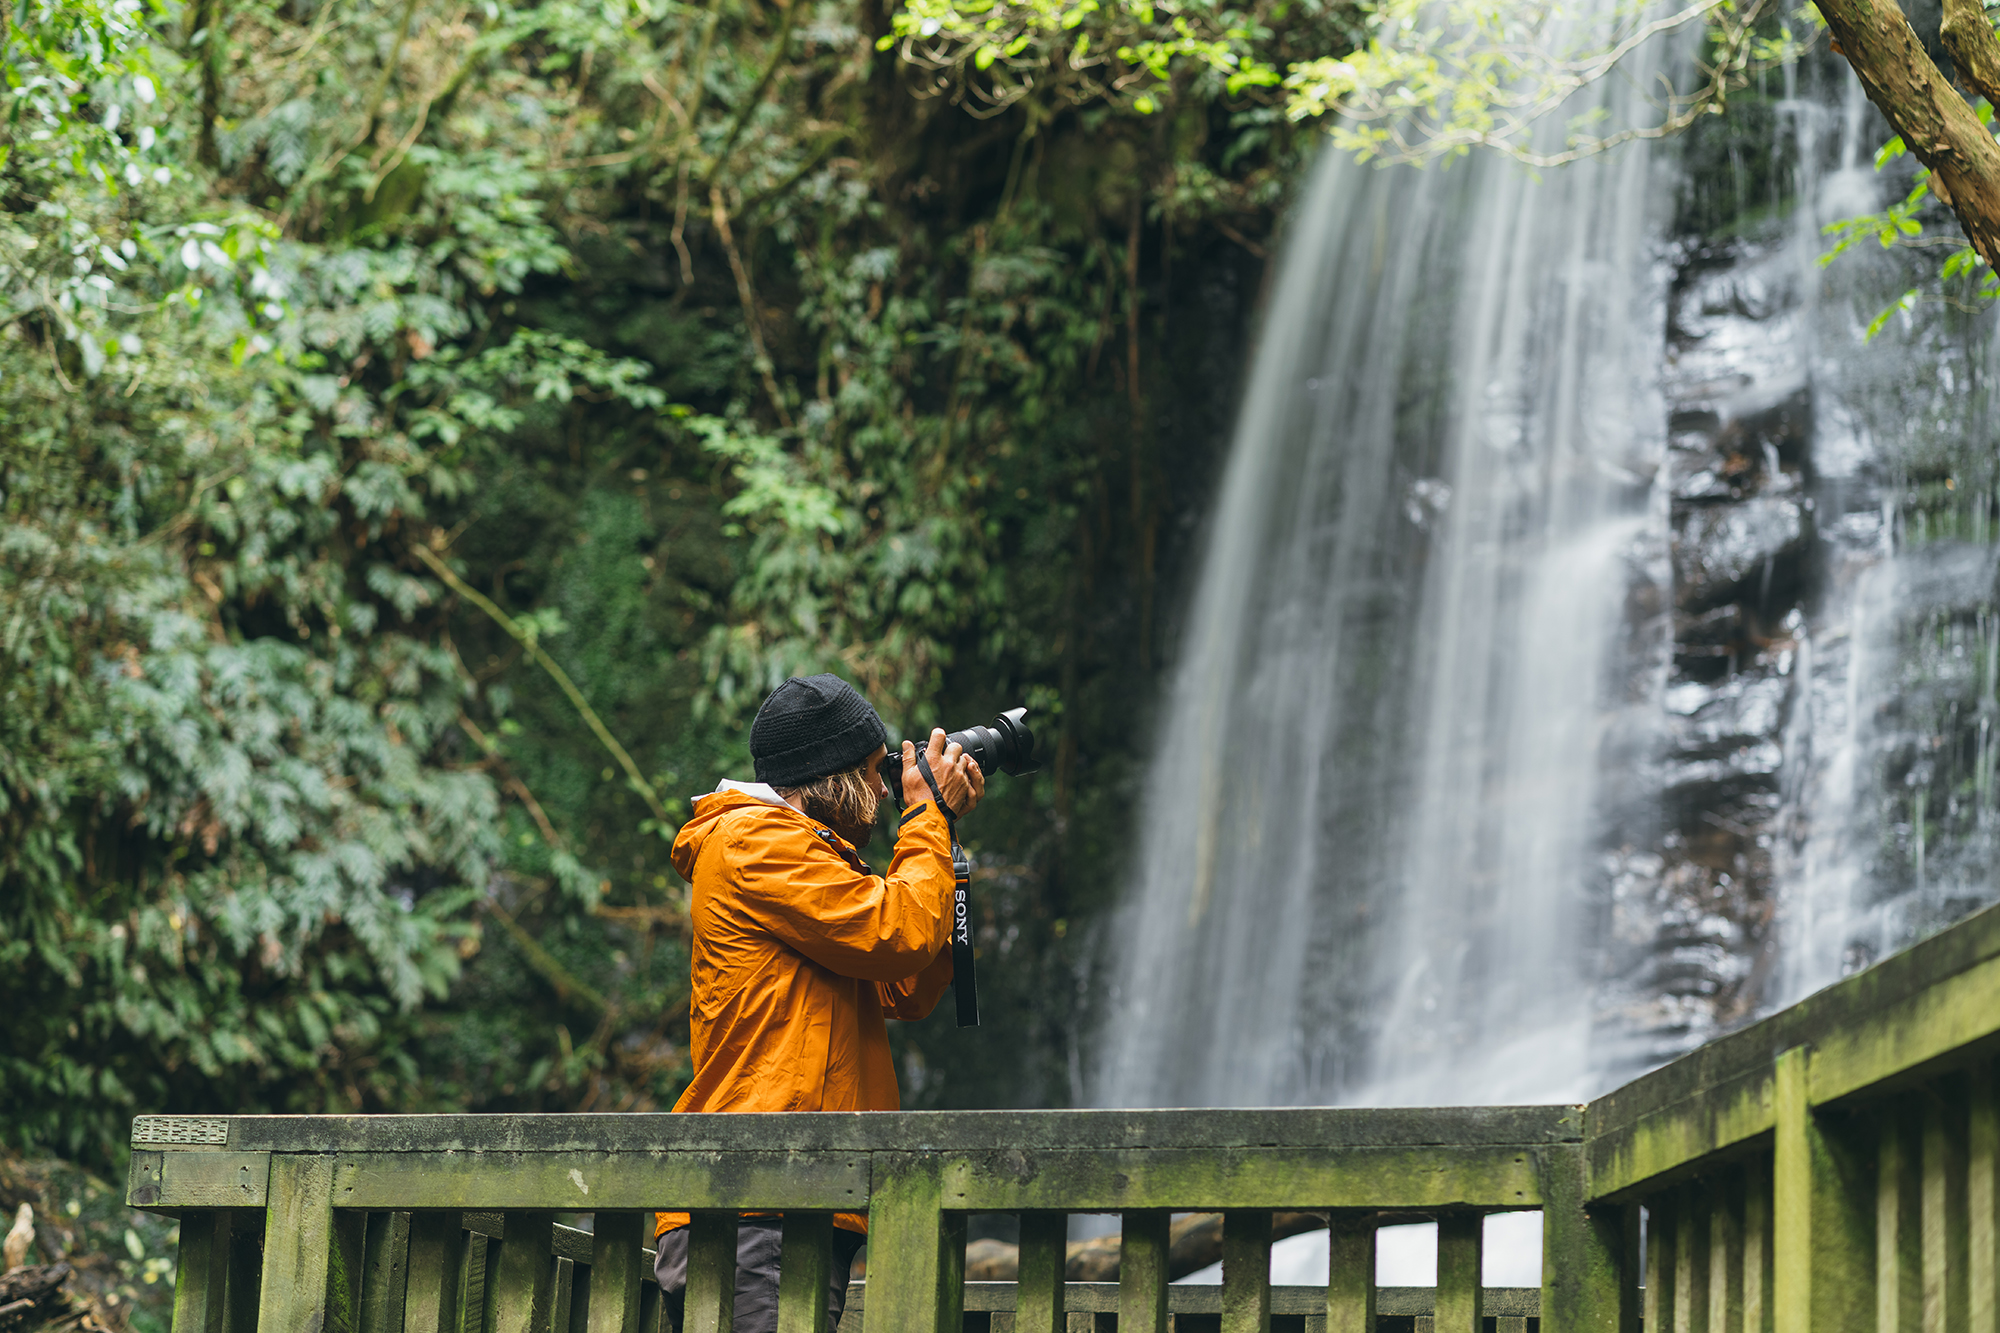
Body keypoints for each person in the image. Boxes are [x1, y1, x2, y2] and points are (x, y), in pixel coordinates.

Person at [653, 673, 985, 1332]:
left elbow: (903, 983)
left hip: (783, 1199)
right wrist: (927, 818)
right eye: (875, 771)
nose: (887, 790)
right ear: (830, 777)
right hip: (757, 1201)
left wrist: (940, 843)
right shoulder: (756, 842)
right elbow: (898, 932)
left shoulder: (805, 859)